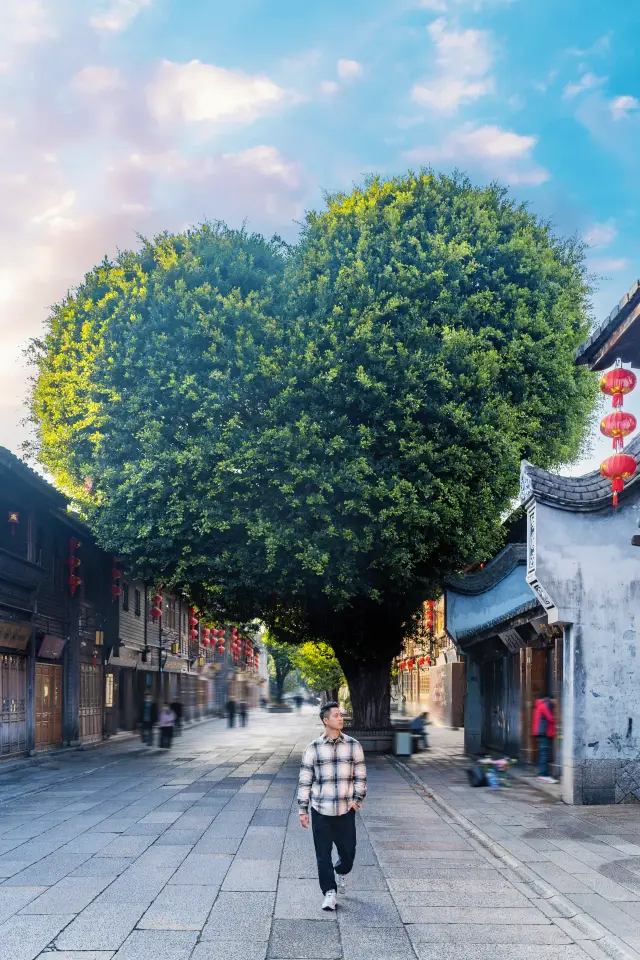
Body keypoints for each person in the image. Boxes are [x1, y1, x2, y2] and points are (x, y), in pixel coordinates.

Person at [298, 701, 367, 913]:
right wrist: (303, 809)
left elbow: (361, 776)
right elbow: (305, 780)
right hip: (321, 811)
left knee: (348, 854)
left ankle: (341, 870)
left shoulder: (353, 745)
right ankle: (329, 892)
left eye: (341, 715)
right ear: (325, 720)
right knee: (322, 855)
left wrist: (356, 801)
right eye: (336, 715)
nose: (341, 718)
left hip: (346, 811)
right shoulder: (313, 749)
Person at [532, 696, 557, 782]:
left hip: (541, 733)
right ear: (552, 699)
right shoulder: (545, 705)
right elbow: (550, 718)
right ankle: (543, 775)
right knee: (544, 755)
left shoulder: (541, 705)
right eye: (555, 700)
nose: (556, 702)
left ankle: (543, 774)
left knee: (542, 754)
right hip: (543, 733)